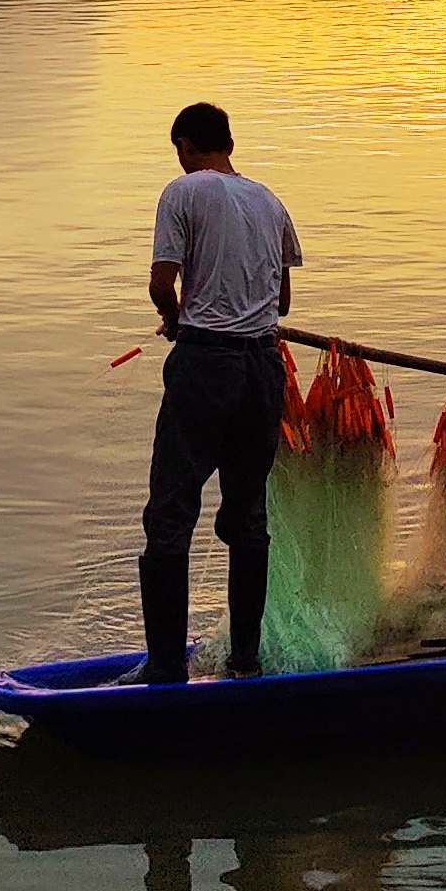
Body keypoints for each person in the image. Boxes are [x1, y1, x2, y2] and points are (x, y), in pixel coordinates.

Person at [138, 101, 303, 684]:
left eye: (178, 149)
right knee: (247, 514)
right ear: (228, 144)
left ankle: (163, 669)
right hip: (262, 368)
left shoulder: (183, 193)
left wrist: (178, 316)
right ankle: (246, 661)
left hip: (205, 365)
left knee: (170, 512)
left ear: (186, 144)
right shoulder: (270, 201)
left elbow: (162, 284)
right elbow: (280, 305)